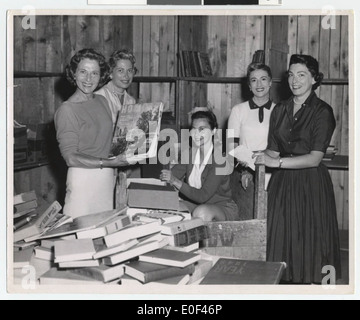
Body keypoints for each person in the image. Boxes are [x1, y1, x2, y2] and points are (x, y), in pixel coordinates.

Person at [255, 54, 341, 284]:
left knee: (310, 245)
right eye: (291, 75)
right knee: (281, 244)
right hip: (283, 185)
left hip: (310, 184)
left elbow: (314, 158)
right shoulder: (280, 110)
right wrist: (254, 158)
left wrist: (278, 162)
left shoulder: (322, 111)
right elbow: (273, 150)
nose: (295, 80)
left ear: (314, 79)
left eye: (301, 75)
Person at [54, 48, 131, 218]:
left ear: (101, 76)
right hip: (83, 180)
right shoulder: (67, 109)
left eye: (94, 73)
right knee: (79, 238)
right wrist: (109, 163)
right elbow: (71, 157)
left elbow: (108, 140)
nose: (88, 79)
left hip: (107, 178)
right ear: (73, 74)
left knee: (102, 234)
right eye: (83, 72)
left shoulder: (102, 100)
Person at [160, 109, 239, 222]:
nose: (196, 134)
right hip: (196, 204)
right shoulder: (190, 153)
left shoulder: (219, 161)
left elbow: (203, 196)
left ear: (213, 131)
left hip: (221, 208)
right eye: (193, 128)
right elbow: (172, 174)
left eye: (202, 129)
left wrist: (174, 181)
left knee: (201, 213)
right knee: (165, 206)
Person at [227, 63, 275, 219]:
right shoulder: (238, 110)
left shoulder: (280, 111)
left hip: (273, 171)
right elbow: (231, 146)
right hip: (244, 171)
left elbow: (281, 146)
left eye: (263, 79)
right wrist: (247, 169)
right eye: (254, 80)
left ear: (270, 82)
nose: (259, 84)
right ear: (249, 85)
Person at [95, 49, 137, 125]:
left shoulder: (131, 101)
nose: (126, 75)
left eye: (129, 71)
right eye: (120, 70)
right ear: (111, 73)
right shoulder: (99, 96)